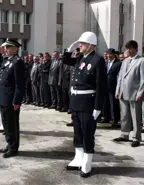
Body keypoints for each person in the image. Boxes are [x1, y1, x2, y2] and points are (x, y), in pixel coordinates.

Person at [62, 32, 107, 177]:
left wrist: (98, 107)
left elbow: (101, 86)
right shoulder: (80, 58)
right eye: (79, 43)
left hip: (88, 103)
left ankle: (87, 162)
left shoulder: (97, 60)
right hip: (76, 101)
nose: (79, 45)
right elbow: (66, 61)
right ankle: (78, 158)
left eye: (82, 43)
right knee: (78, 133)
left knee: (87, 133)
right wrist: (69, 49)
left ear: (91, 45)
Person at [0, 38, 25, 158]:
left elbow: (20, 84)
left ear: (15, 48)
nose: (4, 50)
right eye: (5, 47)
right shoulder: (6, 60)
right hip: (3, 97)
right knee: (6, 123)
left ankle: (13, 147)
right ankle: (9, 143)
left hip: (10, 99)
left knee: (12, 124)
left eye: (7, 47)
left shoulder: (17, 62)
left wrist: (17, 101)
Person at [114, 40, 144, 147]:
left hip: (134, 93)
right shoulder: (125, 61)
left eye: (130, 48)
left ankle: (136, 137)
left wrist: (140, 93)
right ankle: (124, 134)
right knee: (124, 115)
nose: (128, 50)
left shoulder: (141, 61)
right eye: (127, 48)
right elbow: (120, 76)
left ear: (135, 49)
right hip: (123, 92)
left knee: (135, 117)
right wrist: (118, 90)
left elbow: (143, 79)